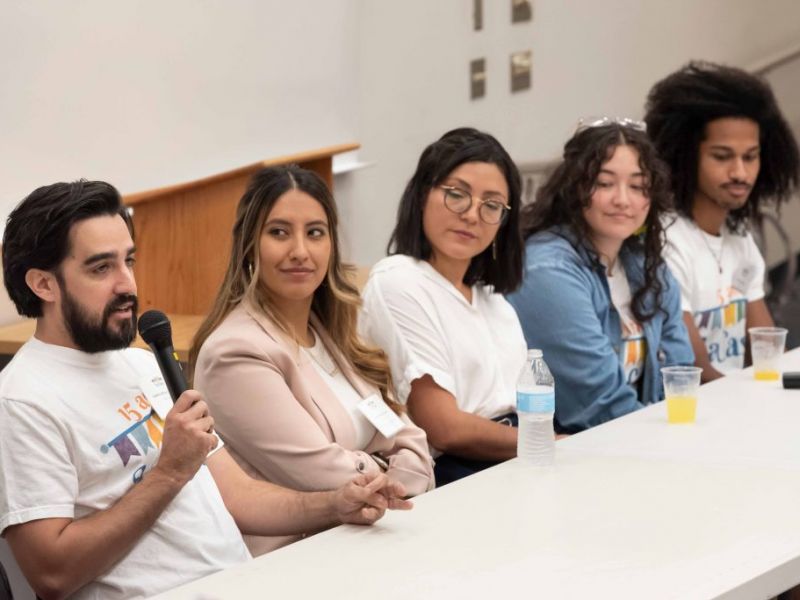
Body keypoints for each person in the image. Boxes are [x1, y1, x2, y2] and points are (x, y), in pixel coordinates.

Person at [0, 180, 411, 600]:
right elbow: (52, 574)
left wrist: (334, 504)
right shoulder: (22, 401)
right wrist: (170, 472)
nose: (128, 284)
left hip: (244, 583)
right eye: (101, 268)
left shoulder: (142, 363)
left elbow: (239, 496)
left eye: (129, 261)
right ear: (43, 285)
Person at [190, 166, 434, 555]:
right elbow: (320, 476)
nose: (300, 251)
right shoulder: (234, 353)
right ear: (249, 246)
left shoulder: (332, 335)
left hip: (372, 539)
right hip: (299, 559)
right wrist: (386, 467)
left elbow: (416, 445)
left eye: (315, 233)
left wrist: (379, 474)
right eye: (279, 232)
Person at [359, 128, 527, 486]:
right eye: (457, 195)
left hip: (517, 454)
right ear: (423, 195)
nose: (471, 214)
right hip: (454, 472)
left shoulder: (494, 301)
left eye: (492, 205)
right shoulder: (398, 280)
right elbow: (444, 429)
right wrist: (546, 442)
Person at [506, 120, 694, 432]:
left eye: (637, 186)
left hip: (639, 441)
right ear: (575, 187)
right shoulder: (548, 272)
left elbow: (680, 378)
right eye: (605, 183)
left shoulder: (646, 265)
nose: (623, 199)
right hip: (580, 453)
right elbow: (599, 405)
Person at [645, 61, 800, 381]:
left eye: (750, 156)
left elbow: (767, 352)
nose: (740, 173)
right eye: (722, 156)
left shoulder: (739, 236)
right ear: (686, 155)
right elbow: (696, 373)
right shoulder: (667, 241)